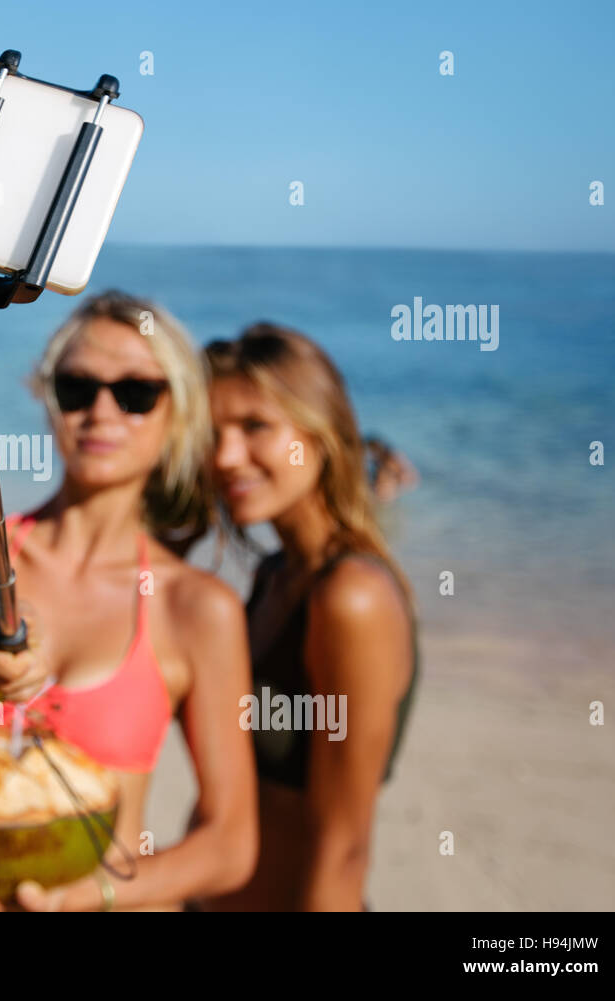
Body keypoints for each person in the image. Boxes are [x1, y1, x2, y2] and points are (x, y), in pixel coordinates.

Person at [0, 291, 257, 911]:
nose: (102, 411)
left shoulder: (193, 607)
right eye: (77, 388)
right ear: (48, 398)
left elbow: (230, 844)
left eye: (137, 393)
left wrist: (91, 896)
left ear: (179, 412)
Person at [193, 322, 418, 911]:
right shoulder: (273, 576)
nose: (225, 456)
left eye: (255, 427)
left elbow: (343, 846)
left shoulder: (351, 599)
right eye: (212, 433)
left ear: (320, 432)